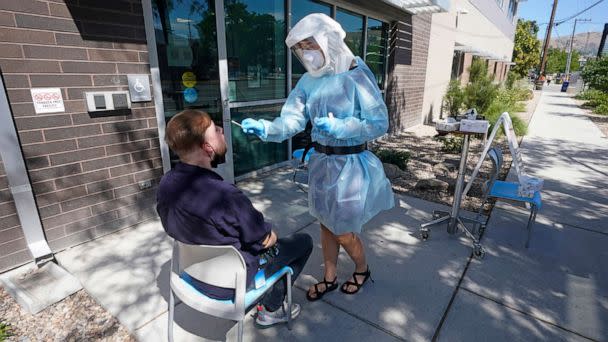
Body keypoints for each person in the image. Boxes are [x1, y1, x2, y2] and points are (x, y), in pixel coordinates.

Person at [240, 13, 395, 301]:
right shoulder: (309, 81)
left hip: (349, 166)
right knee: (325, 223)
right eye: (300, 49)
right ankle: (330, 277)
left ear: (329, 40)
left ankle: (362, 269)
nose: (305, 54)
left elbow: (379, 122)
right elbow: (292, 119)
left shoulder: (356, 73)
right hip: (322, 164)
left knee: (344, 231)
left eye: (309, 45)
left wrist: (343, 127)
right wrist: (267, 128)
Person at [156, 109, 313, 328]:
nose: (222, 131)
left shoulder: (166, 184)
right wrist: (271, 234)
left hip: (193, 275)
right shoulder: (224, 195)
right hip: (231, 284)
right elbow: (264, 238)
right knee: (303, 242)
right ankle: (272, 309)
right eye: (216, 129)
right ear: (207, 148)